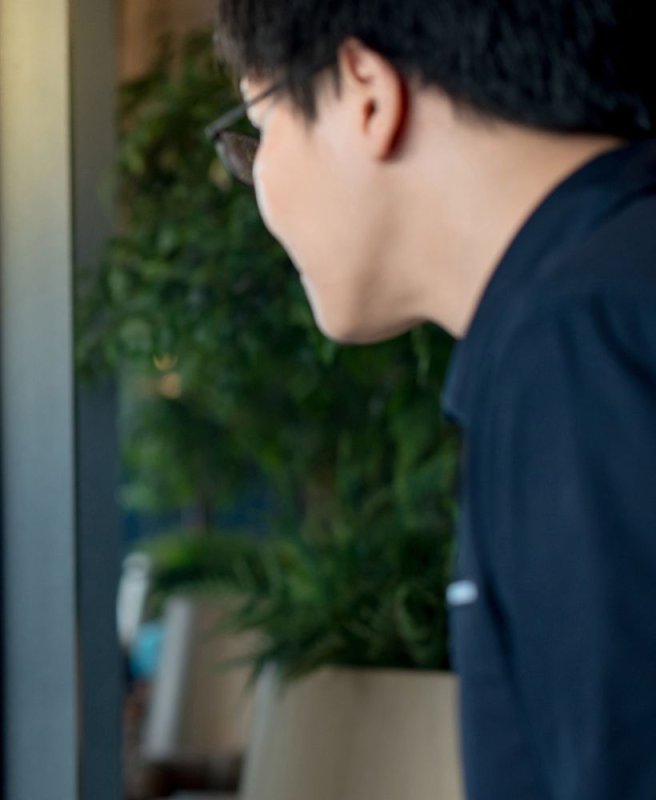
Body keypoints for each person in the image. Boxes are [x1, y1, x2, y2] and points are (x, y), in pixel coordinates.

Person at [208, 1, 656, 797]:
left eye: (261, 126)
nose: (259, 182)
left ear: (366, 90)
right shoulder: (612, 285)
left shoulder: (576, 345)